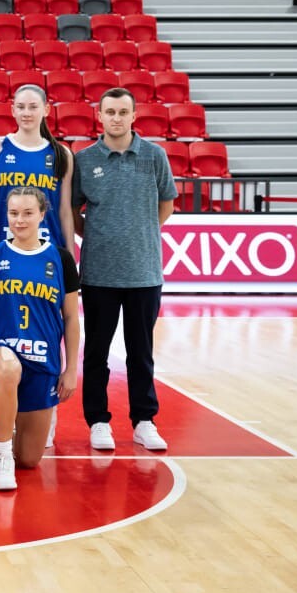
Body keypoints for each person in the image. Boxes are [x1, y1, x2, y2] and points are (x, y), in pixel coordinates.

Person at [72, 87, 177, 452]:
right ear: (99, 116)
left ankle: (144, 420)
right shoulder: (84, 159)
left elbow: (167, 203)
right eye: (110, 112)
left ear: (134, 116)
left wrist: (140, 232)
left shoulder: (154, 155)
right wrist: (97, 235)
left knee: (141, 352)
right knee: (96, 353)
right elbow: (72, 210)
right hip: (99, 274)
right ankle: (98, 421)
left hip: (144, 273)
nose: (116, 118)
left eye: (122, 112)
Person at [0, 186, 80, 490]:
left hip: (43, 358)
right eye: (13, 213)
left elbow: (71, 318)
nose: (19, 220)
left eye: (27, 213)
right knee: (8, 369)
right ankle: (2, 456)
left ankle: (1, 430)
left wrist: (71, 370)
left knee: (30, 459)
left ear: (42, 215)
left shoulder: (60, 259)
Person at [0, 84, 74, 251]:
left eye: (33, 107)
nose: (26, 113)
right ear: (13, 110)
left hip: (47, 248)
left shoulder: (62, 154)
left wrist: (70, 256)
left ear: (46, 110)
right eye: (21, 107)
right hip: (2, 246)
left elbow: (64, 211)